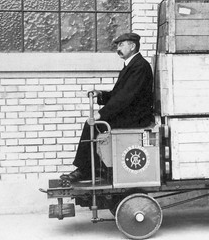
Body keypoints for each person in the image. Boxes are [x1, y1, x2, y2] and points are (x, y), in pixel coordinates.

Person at [61, 32, 154, 182]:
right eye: (118, 45)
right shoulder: (131, 65)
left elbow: (125, 98)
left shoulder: (139, 67)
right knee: (93, 125)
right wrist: (101, 95)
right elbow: (119, 94)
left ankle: (85, 170)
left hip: (136, 117)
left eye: (121, 44)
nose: (118, 48)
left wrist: (102, 114)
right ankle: (95, 167)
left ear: (132, 46)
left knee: (92, 125)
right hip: (131, 114)